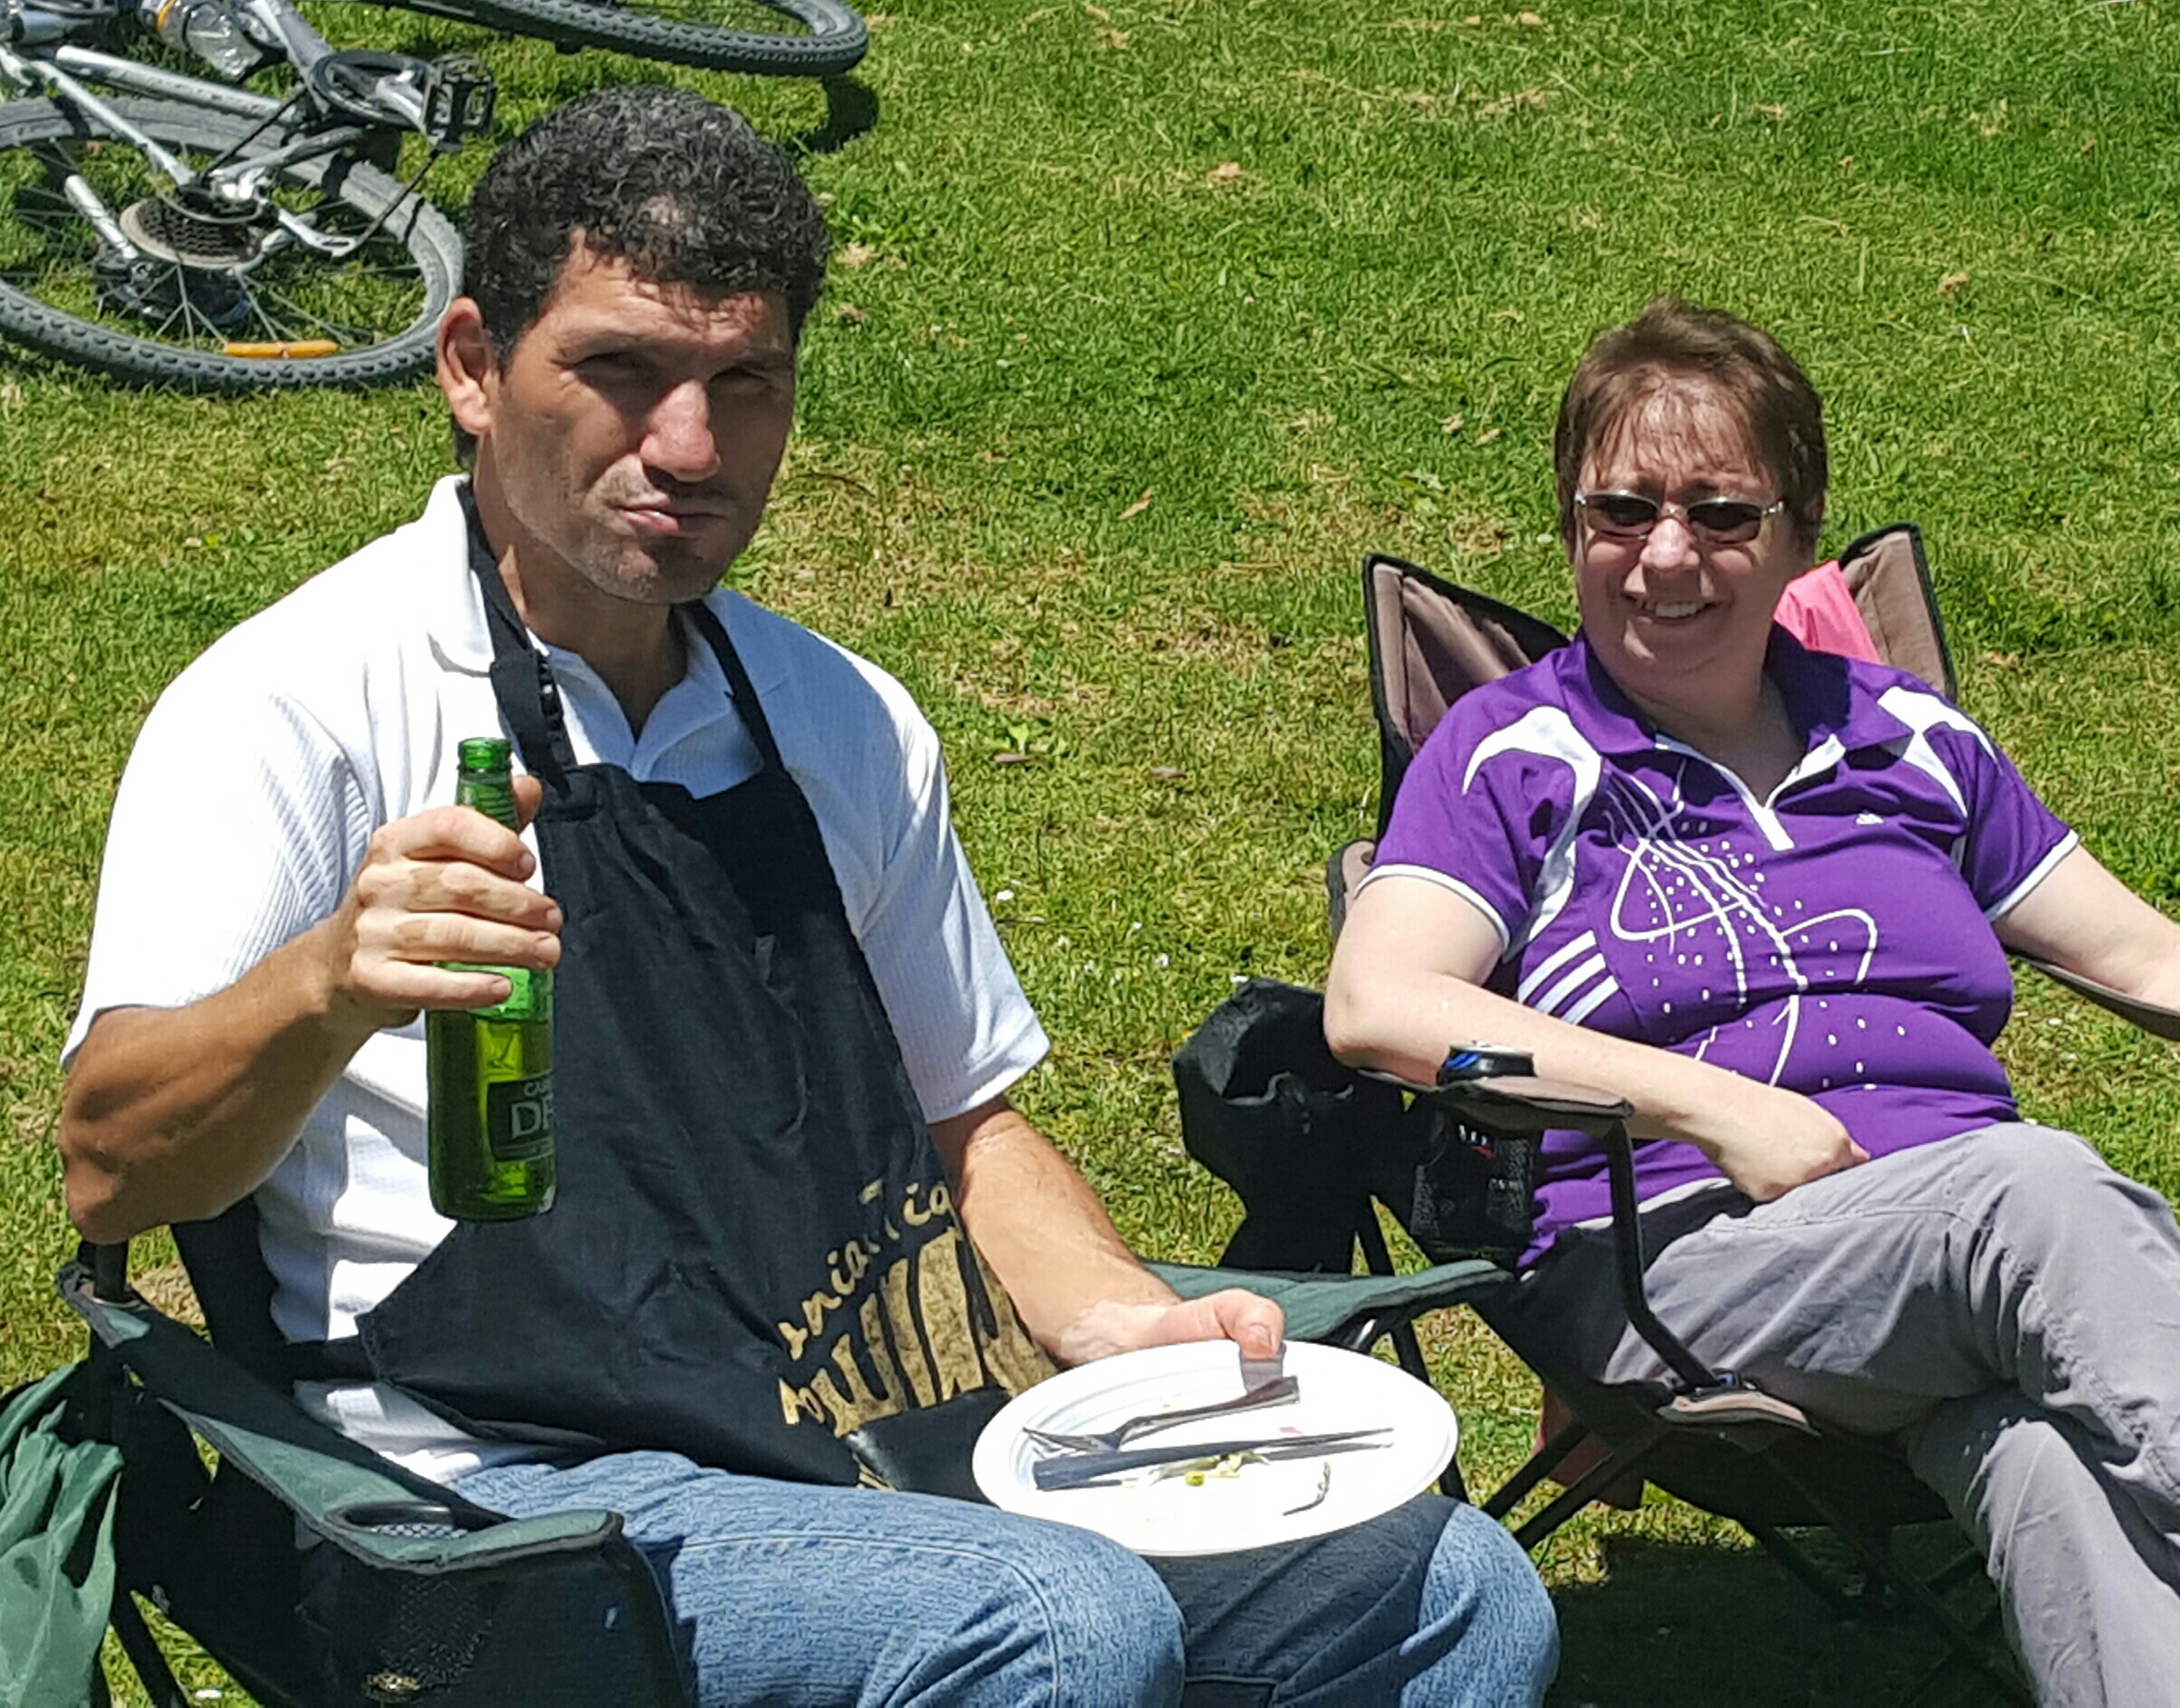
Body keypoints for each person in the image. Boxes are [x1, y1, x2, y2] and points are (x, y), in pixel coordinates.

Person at [55, 86, 1555, 1706]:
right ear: (473, 366)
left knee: (1447, 1592)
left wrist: (1119, 1320)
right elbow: (109, 1169)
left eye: (743, 384)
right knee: (1052, 1621)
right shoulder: (299, 706)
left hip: (855, 1438)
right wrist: (326, 983)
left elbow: (965, 1124)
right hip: (495, 1510)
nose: (688, 449)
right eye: (621, 372)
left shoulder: (835, 717)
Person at [1324, 297, 2180, 1705]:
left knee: (2044, 1458)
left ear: (1797, 535)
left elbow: (2145, 961)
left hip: (1966, 1285)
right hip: (1675, 1258)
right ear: (1569, 523)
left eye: (1721, 513)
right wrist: (1716, 1107)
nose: (1666, 554)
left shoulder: (1910, 740)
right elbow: (1378, 1004)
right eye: (1622, 509)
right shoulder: (1517, 750)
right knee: (2039, 1198)